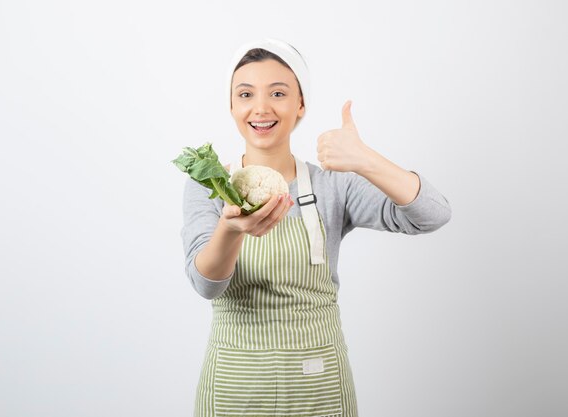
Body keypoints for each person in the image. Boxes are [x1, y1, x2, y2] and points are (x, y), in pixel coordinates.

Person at [180, 38, 451, 417]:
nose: (261, 108)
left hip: (319, 387)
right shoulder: (209, 186)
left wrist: (365, 160)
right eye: (245, 94)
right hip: (235, 389)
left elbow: (432, 214)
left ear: (300, 105)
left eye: (278, 92)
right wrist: (231, 229)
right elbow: (207, 284)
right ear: (231, 106)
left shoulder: (331, 185)